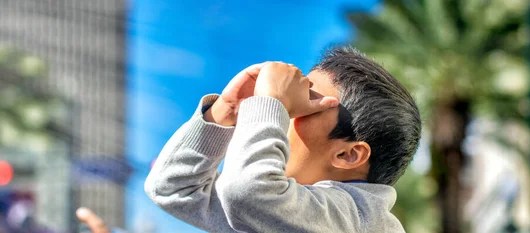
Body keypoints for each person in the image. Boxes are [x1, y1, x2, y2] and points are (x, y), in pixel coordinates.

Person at [145, 47, 421, 233]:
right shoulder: (284, 210)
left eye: (305, 105)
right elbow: (172, 188)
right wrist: (225, 110)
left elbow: (246, 191)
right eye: (288, 104)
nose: (282, 115)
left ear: (348, 155)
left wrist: (271, 101)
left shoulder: (360, 220)